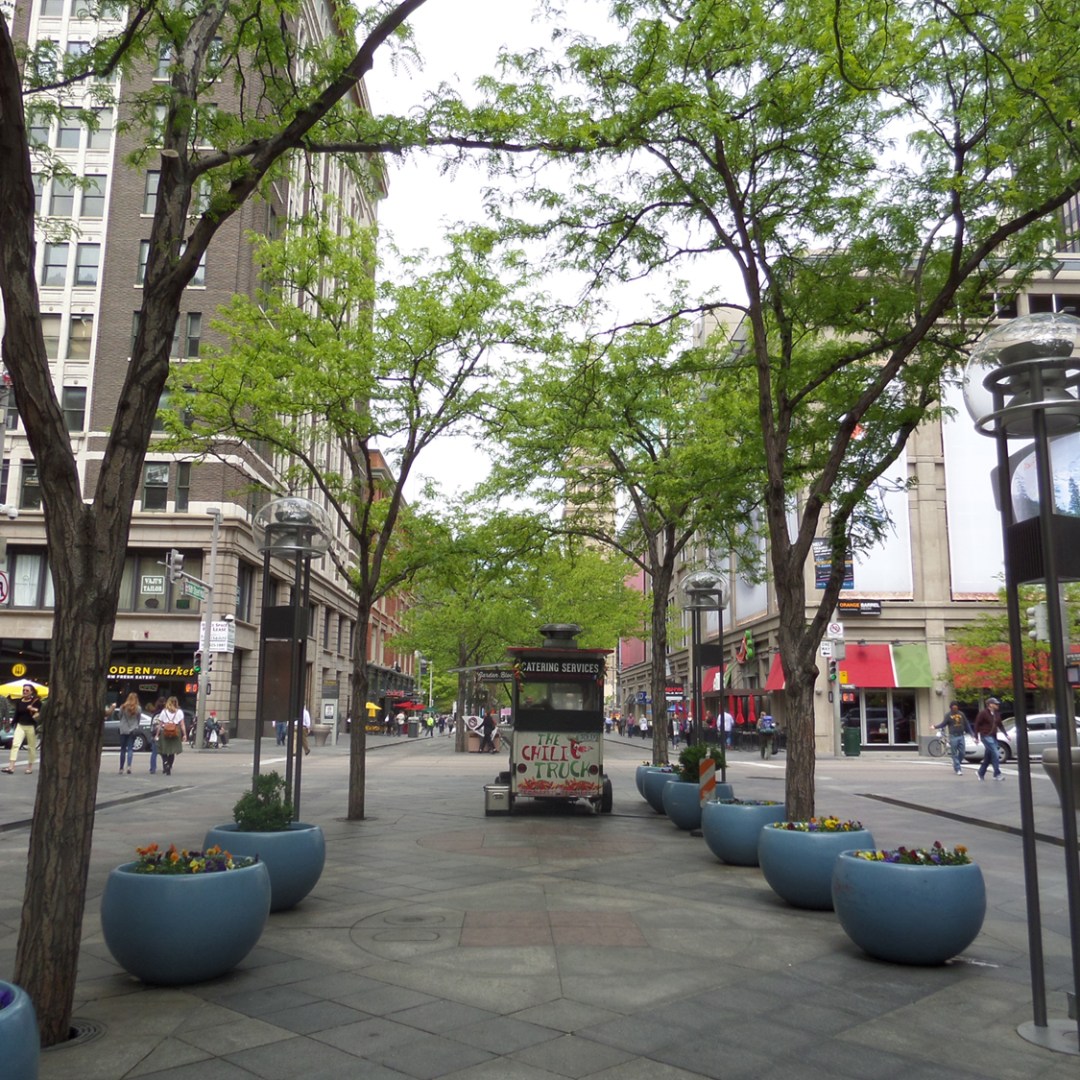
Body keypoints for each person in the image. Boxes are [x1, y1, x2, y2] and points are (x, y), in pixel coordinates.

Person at [2, 684, 42, 775]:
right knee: (15, 745)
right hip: (20, 725)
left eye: (27, 690)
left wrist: (32, 709)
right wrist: (11, 725)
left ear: (32, 692)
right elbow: (17, 714)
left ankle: (29, 767)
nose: (24, 692)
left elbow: (40, 712)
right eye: (23, 690)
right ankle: (11, 767)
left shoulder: (36, 701)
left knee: (31, 747)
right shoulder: (20, 702)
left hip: (31, 726)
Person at [936, 701, 974, 775]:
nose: (955, 709)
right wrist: (935, 726)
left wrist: (972, 733)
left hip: (961, 735)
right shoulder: (948, 715)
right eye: (953, 708)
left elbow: (966, 724)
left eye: (956, 707)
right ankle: (958, 769)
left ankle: (957, 764)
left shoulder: (961, 714)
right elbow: (943, 724)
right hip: (953, 736)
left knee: (962, 752)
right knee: (954, 753)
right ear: (951, 708)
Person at [973, 697, 1007, 781]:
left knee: (988, 756)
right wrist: (976, 737)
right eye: (995, 704)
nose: (997, 705)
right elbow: (976, 724)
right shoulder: (983, 713)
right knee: (995, 752)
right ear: (990, 705)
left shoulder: (996, 714)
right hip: (985, 736)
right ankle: (997, 774)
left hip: (993, 736)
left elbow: (1000, 725)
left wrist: (1006, 735)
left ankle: (980, 773)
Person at [156, 696, 186, 776]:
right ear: (176, 702)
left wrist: (157, 734)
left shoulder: (164, 711)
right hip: (176, 732)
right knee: (172, 751)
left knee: (164, 750)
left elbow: (160, 724)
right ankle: (169, 765)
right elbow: (182, 724)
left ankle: (166, 764)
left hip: (165, 732)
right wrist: (184, 734)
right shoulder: (179, 712)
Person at [115, 692, 142, 775]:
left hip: (123, 729)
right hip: (132, 730)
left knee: (123, 749)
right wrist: (135, 725)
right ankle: (129, 766)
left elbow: (119, 717)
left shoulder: (123, 707)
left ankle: (121, 768)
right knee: (130, 748)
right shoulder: (138, 708)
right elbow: (139, 719)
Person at [148, 695, 167, 775]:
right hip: (164, 733)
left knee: (154, 752)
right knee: (164, 752)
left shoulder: (155, 713)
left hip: (155, 734)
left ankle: (153, 768)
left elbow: (152, 724)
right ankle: (165, 767)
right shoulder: (166, 713)